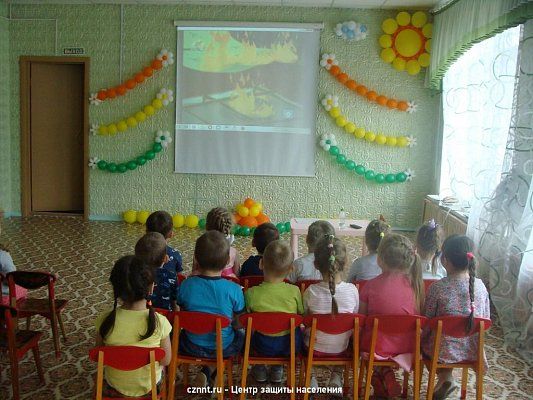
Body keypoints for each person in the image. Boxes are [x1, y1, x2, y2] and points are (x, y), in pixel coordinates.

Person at [422, 235, 490, 400]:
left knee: (428, 343)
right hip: (472, 350)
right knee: (445, 340)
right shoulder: (481, 287)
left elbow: (427, 320)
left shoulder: (437, 288)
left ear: (444, 260)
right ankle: (447, 381)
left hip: (440, 350)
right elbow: (485, 320)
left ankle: (446, 379)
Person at [95, 255, 172, 397]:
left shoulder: (104, 320)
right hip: (149, 390)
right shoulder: (160, 322)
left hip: (114, 387)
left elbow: (98, 353)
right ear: (151, 288)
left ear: (116, 290)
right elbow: (166, 360)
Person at [359, 234, 424, 399]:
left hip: (376, 346)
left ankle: (381, 372)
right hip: (409, 346)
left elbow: (362, 318)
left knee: (364, 338)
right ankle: (385, 373)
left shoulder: (370, 286)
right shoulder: (417, 286)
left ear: (380, 260)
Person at [177, 231, 245, 387]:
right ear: (228, 260)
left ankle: (207, 371)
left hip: (190, 344)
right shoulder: (233, 289)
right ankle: (211, 369)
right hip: (223, 346)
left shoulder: (186, 285)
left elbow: (182, 308)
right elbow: (240, 319)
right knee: (242, 335)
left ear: (196, 259)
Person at [303, 235, 359, 392]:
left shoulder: (311, 292)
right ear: (345, 262)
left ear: (315, 264)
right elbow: (354, 317)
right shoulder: (353, 291)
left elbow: (305, 319)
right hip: (341, 348)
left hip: (313, 348)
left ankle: (311, 377)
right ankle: (336, 375)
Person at [244, 240, 303, 384]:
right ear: (290, 269)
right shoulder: (295, 291)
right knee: (294, 326)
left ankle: (259, 367)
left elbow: (246, 317)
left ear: (261, 264)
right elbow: (301, 315)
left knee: (247, 328)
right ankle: (277, 368)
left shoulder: (251, 293)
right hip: (288, 345)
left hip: (261, 345)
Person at [192, 207, 240, 277]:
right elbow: (238, 275)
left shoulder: (200, 249)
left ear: (207, 226)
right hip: (227, 284)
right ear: (229, 227)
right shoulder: (233, 252)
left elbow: (194, 271)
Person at [135, 232, 178, 311]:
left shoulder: (133, 274)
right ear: (166, 258)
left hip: (140, 313)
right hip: (165, 316)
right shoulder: (171, 275)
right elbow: (174, 301)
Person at [0, 225, 27, 303]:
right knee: (22, 288)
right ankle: (13, 311)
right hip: (3, 297)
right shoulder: (2, 254)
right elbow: (12, 278)